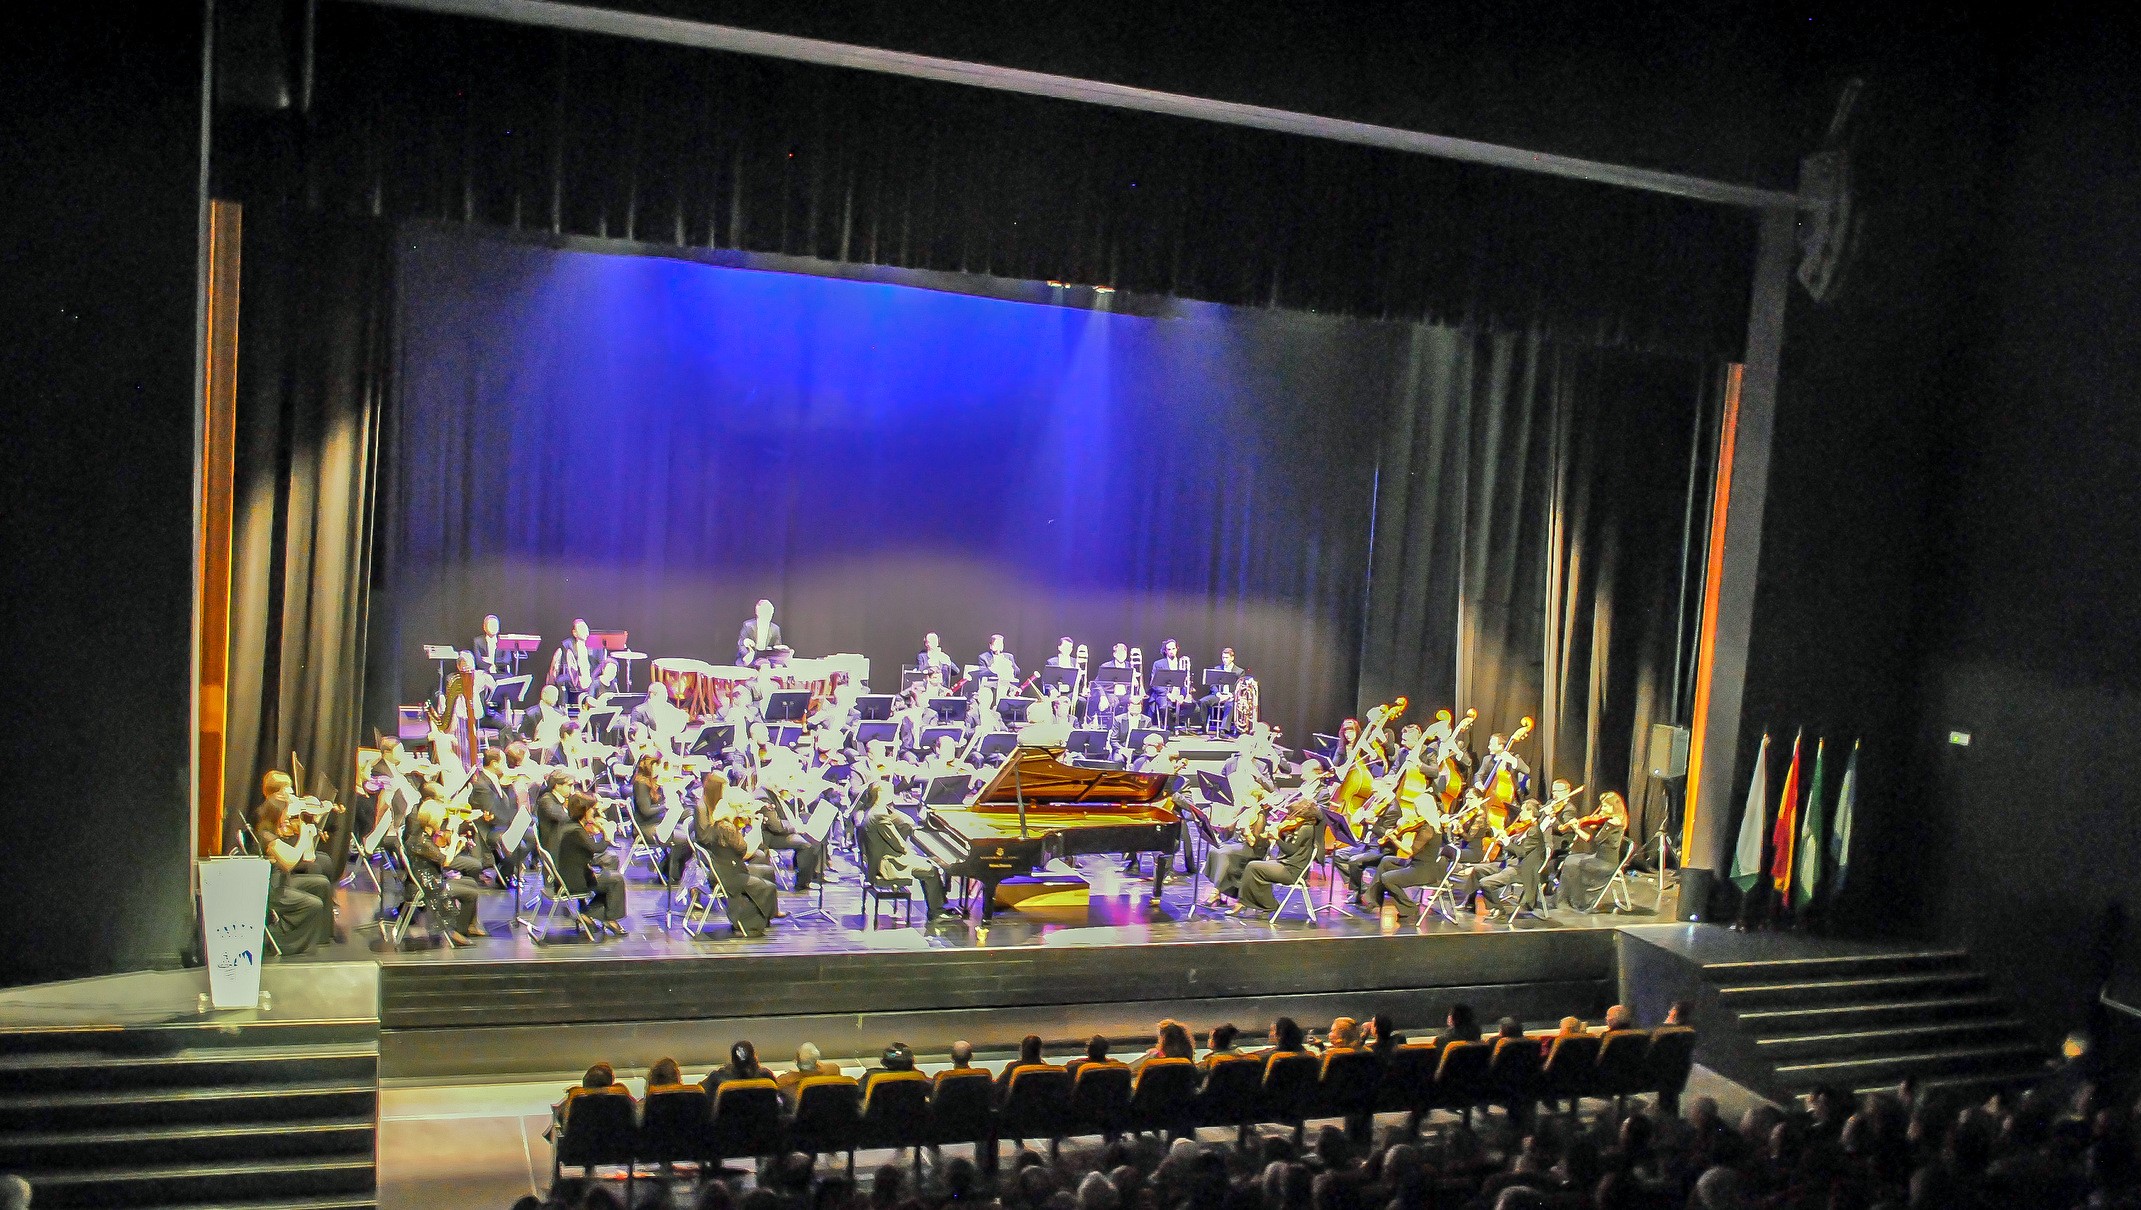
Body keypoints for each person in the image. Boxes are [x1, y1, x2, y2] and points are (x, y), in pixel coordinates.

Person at [251, 773, 337, 952]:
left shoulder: (275, 830)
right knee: (313, 904)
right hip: (273, 889)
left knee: (321, 883)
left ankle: (322, 938)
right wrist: (304, 838)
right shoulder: (267, 836)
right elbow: (289, 862)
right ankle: (281, 944)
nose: (286, 820)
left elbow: (308, 857)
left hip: (282, 881)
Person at [860, 765, 954, 922]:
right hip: (887, 864)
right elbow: (899, 845)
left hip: (880, 859)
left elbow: (906, 823)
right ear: (881, 795)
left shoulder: (873, 812)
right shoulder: (880, 817)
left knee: (931, 863)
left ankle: (938, 905)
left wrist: (891, 810)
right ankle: (936, 912)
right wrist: (911, 854)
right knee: (931, 869)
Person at [1233, 767, 1328, 917]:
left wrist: (1277, 838)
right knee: (1256, 868)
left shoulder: (1306, 829)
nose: (1290, 818)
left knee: (1253, 867)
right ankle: (1262, 904)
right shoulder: (1299, 825)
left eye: (1293, 814)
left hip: (1292, 870)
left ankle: (1260, 904)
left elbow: (1290, 850)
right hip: (1285, 864)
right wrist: (1278, 833)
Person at [699, 773, 779, 936]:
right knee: (767, 884)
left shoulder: (721, 824)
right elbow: (745, 851)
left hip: (725, 866)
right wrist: (755, 828)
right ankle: (756, 918)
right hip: (729, 873)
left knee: (767, 870)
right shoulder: (725, 828)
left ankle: (768, 914)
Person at [403, 799, 486, 943]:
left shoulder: (424, 836)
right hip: (428, 885)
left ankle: (470, 926)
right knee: (470, 893)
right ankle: (457, 931)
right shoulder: (422, 841)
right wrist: (454, 841)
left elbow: (440, 856)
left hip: (431, 879)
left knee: (471, 882)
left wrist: (458, 845)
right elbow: (446, 862)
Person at [557, 792, 627, 933]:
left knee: (611, 865)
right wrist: (607, 836)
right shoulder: (576, 831)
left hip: (573, 873)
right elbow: (596, 849)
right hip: (575, 881)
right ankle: (609, 918)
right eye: (592, 809)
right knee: (617, 880)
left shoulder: (572, 825)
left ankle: (588, 913)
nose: (594, 812)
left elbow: (586, 851)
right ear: (584, 810)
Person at [1555, 790, 1629, 910]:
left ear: (1613, 807)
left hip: (1606, 862)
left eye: (1605, 806)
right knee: (1571, 859)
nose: (1602, 809)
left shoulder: (1613, 822)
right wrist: (1594, 824)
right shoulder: (1610, 820)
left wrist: (1576, 829)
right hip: (1599, 856)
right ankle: (1566, 899)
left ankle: (1575, 901)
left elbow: (1594, 840)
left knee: (1574, 863)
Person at [547, 618, 601, 705]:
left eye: (586, 629)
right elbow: (557, 664)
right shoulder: (567, 645)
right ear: (574, 633)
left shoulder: (595, 647)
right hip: (574, 677)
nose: (585, 632)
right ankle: (563, 707)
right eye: (582, 630)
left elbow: (599, 665)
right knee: (561, 680)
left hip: (591, 677)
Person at [776, 1042, 846, 1107]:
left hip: (803, 1118)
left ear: (798, 1063)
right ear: (816, 1061)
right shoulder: (833, 1071)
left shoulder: (785, 1081)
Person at [1192, 647, 1245, 730]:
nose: (1224, 660)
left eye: (1226, 658)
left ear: (1232, 658)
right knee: (1203, 701)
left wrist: (1230, 695)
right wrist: (1218, 693)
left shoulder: (1239, 671)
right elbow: (1212, 684)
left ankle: (1223, 729)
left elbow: (1240, 688)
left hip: (1231, 696)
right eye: (1223, 658)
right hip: (1218, 695)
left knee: (1230, 705)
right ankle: (1203, 726)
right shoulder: (1217, 669)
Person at [1147, 638, 1193, 728]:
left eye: (1173, 649)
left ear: (1177, 649)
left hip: (1179, 694)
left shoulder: (1182, 663)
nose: (1171, 651)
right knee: (1165, 708)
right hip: (1163, 694)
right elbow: (1154, 684)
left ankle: (1176, 722)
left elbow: (1186, 683)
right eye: (1169, 649)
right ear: (1165, 651)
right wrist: (1168, 694)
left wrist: (1183, 695)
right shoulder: (1158, 664)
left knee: (1195, 708)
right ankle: (1171, 727)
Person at [738, 598, 786, 666]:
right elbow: (741, 643)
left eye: (770, 612)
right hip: (749, 658)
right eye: (766, 612)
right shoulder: (748, 625)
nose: (769, 615)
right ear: (758, 612)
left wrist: (782, 649)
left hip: (767, 660)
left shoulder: (775, 629)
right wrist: (747, 654)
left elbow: (776, 646)